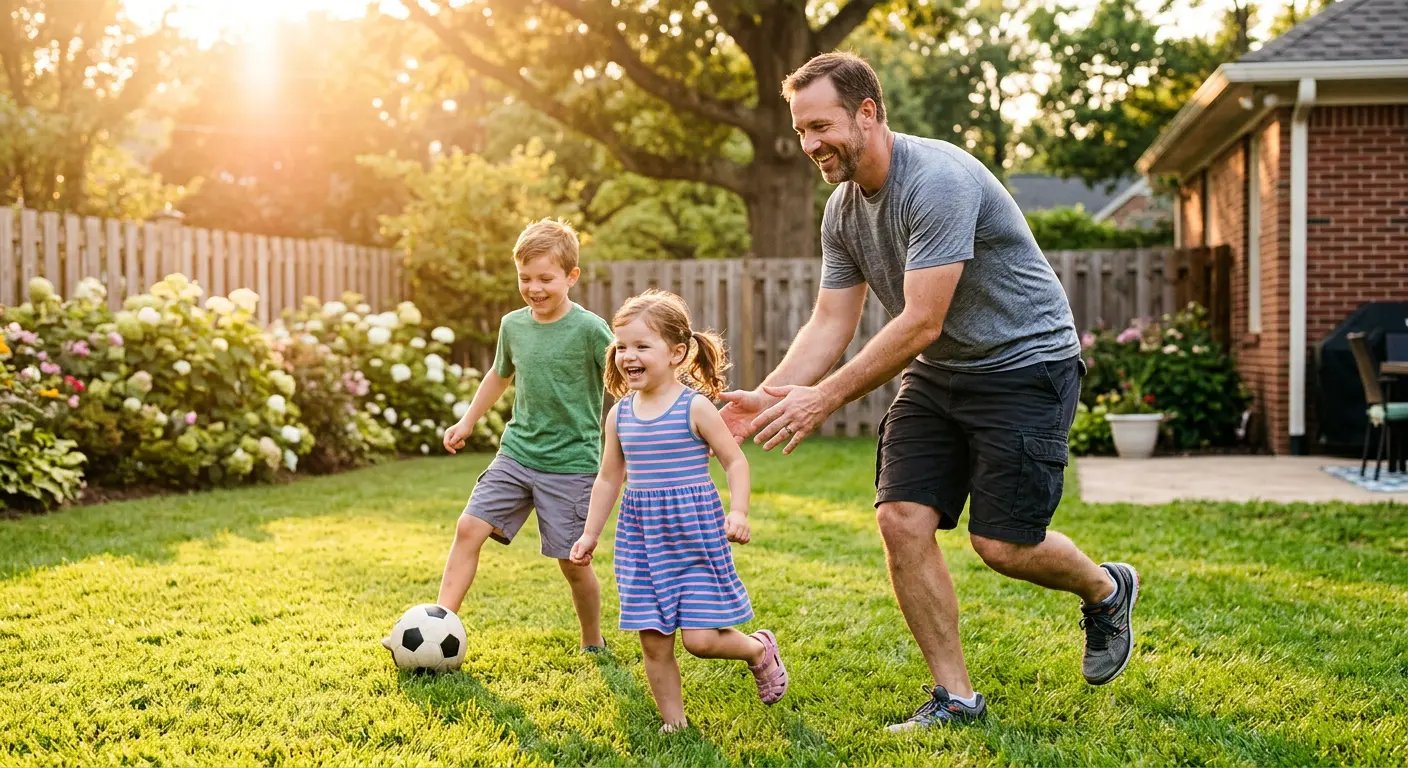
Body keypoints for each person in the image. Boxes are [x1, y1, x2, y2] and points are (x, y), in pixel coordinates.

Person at [719, 52, 1139, 731]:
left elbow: (921, 319)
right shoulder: (842, 212)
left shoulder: (936, 181)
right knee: (900, 519)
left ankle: (1106, 588)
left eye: (820, 126)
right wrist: (771, 395)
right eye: (800, 131)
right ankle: (957, 699)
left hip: (1024, 364)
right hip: (943, 370)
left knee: (1003, 546)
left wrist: (823, 399)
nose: (810, 145)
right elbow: (831, 319)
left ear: (867, 113)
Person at [570, 289, 788, 733]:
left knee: (702, 641)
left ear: (678, 353)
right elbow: (609, 478)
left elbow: (734, 460)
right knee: (654, 643)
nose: (627, 355)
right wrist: (591, 534)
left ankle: (756, 648)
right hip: (642, 542)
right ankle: (675, 724)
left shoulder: (695, 407)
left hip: (694, 535)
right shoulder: (620, 416)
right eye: (621, 346)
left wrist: (740, 512)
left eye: (641, 346)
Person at [439, 218, 613, 653]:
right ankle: (440, 624)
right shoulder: (512, 326)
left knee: (572, 564)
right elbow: (499, 376)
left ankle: (593, 639)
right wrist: (468, 421)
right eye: (525, 278)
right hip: (516, 454)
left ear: (571, 277)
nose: (534, 288)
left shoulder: (591, 330)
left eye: (545, 279)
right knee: (467, 528)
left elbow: (622, 378)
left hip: (571, 466)